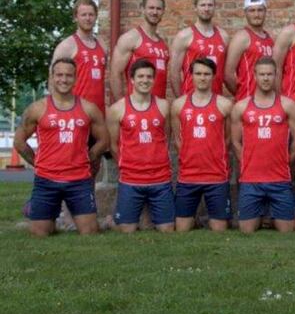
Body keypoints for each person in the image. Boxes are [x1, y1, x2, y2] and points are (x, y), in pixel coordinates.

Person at [13, 58, 108, 237]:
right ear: (52, 77)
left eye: (68, 75)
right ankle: (36, 208)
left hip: (79, 180)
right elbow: (19, 142)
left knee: (90, 232)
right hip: (46, 180)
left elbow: (104, 141)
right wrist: (38, 163)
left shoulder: (89, 108)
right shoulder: (37, 109)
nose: (63, 79)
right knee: (40, 234)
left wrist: (91, 156)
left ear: (75, 78)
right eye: (59, 75)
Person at [230, 57, 295, 233]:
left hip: (279, 179)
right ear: (254, 75)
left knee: (287, 230)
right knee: (246, 230)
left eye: (270, 74)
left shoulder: (288, 105)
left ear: (276, 75)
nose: (266, 78)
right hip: (251, 180)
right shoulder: (241, 107)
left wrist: (286, 161)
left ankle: (270, 216)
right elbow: (235, 142)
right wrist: (246, 162)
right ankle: (260, 216)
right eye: (262, 74)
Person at [106, 58, 174, 232]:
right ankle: (112, 220)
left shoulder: (164, 106)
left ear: (154, 79)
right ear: (132, 80)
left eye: (149, 77)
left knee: (168, 229)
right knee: (126, 230)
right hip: (131, 179)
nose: (145, 80)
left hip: (160, 178)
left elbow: (165, 137)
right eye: (141, 76)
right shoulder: (117, 109)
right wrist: (127, 165)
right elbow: (114, 145)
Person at [171, 57, 233, 232]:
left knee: (219, 228)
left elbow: (227, 138)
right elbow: (178, 138)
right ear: (191, 76)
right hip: (188, 175)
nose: (202, 77)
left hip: (216, 175)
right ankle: (194, 220)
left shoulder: (224, 105)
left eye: (207, 74)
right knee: (181, 228)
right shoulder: (178, 105)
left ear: (213, 76)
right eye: (198, 73)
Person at [109, 0, 170, 101]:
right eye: (151, 8)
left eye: (158, 9)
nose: (155, 12)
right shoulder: (131, 38)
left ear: (163, 11)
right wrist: (122, 106)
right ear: (142, 9)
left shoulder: (163, 44)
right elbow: (115, 73)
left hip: (159, 107)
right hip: (136, 107)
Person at [51, 0, 107, 115]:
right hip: (75, 112)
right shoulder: (67, 45)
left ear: (96, 17)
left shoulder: (102, 45)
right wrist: (57, 110)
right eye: (83, 15)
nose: (87, 18)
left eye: (91, 15)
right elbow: (52, 79)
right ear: (75, 18)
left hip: (99, 112)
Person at [169, 0, 229, 96]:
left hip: (216, 100)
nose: (206, 9)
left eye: (210, 5)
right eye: (202, 5)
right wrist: (181, 101)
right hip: (191, 98)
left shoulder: (224, 36)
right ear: (195, 7)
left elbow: (226, 72)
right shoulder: (184, 36)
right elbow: (174, 73)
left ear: (215, 7)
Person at [224, 0, 274, 102]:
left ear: (265, 12)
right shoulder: (241, 37)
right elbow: (228, 74)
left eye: (260, 10)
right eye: (252, 11)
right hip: (247, 101)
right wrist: (242, 94)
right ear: (245, 13)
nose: (256, 14)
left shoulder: (270, 39)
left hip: (267, 102)